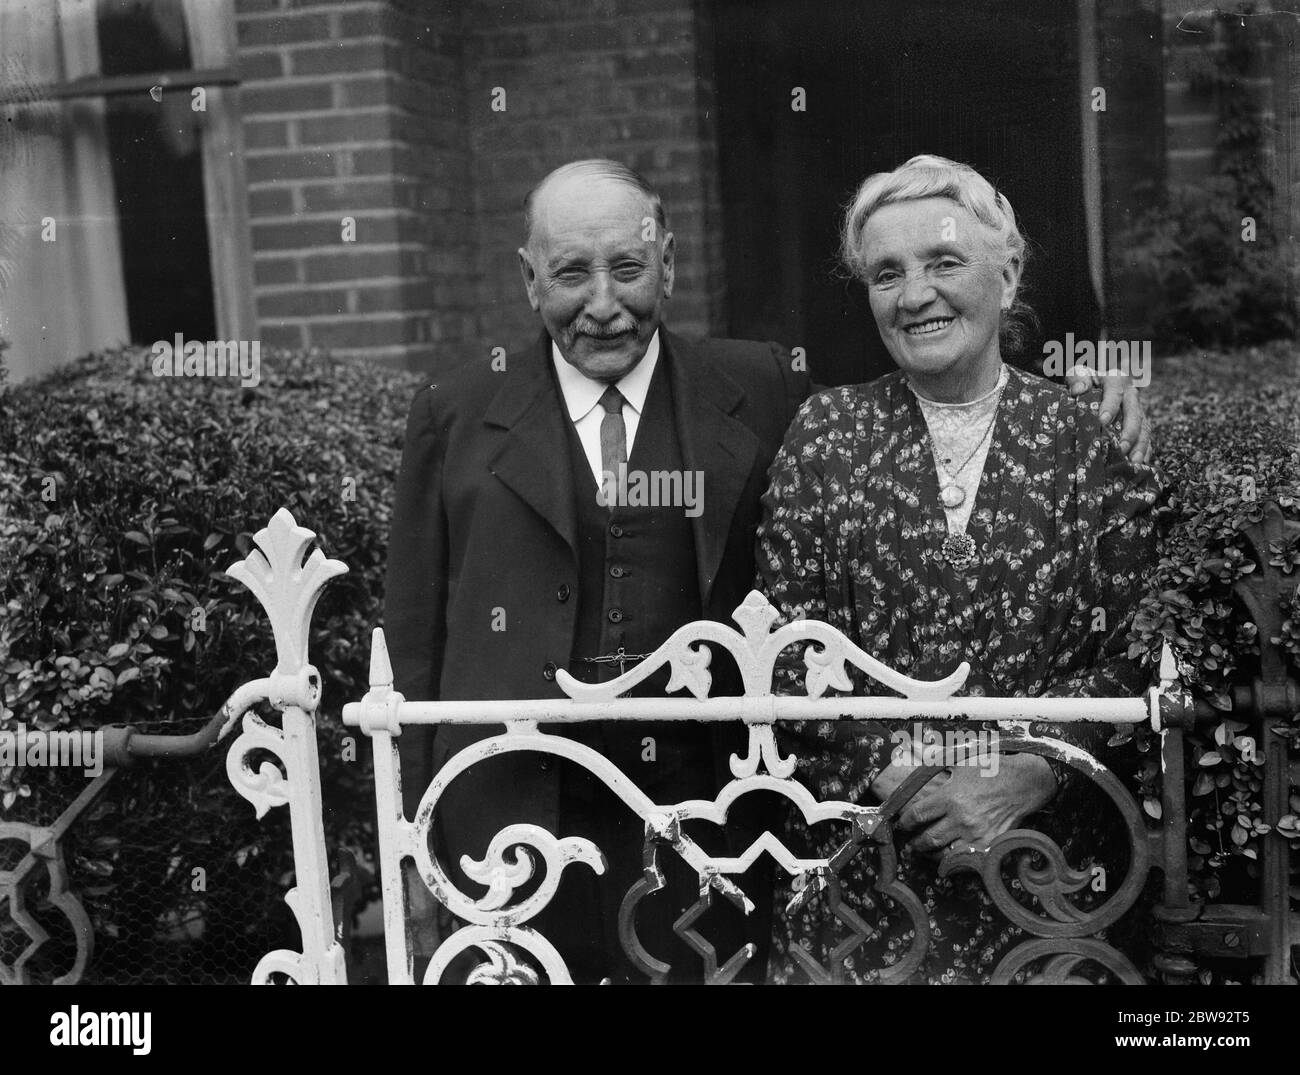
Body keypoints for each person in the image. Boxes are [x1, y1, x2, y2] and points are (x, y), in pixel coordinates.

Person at [385, 158, 1147, 985]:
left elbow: (952, 393)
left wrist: (1103, 385)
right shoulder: (454, 417)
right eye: (571, 272)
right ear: (530, 280)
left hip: (700, 838)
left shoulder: (761, 390)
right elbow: (409, 653)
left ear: (668, 265)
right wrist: (401, 842)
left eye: (629, 268)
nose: (602, 304)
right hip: (506, 831)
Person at [757, 154, 1164, 984]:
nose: (915, 295)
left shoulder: (1089, 431)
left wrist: (1027, 768)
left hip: (1050, 882)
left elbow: (1138, 652)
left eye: (944, 262)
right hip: (867, 886)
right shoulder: (826, 435)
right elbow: (785, 652)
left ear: (1007, 274)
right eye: (887, 273)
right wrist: (898, 772)